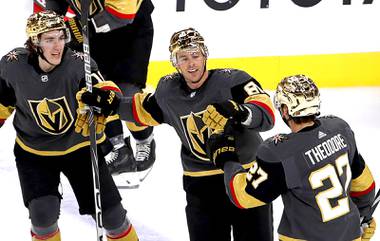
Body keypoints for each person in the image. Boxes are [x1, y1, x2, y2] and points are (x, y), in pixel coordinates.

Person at [77, 27, 276, 241]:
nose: (191, 64)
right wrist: (112, 104)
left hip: (247, 175)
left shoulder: (233, 81)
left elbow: (266, 114)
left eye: (195, 55)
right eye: (183, 58)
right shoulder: (168, 91)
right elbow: (142, 110)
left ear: (205, 55)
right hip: (200, 181)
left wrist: (240, 111)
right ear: (175, 62)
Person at [0, 11, 138, 241]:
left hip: (80, 149)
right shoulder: (13, 66)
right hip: (35, 154)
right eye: (49, 39)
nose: (57, 46)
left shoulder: (77, 64)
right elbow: (2, 103)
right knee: (43, 220)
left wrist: (105, 99)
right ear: (35, 43)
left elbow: (106, 90)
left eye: (61, 37)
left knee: (114, 219)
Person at [206, 74, 377, 241]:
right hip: (350, 235)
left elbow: (243, 196)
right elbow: (365, 184)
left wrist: (226, 158)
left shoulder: (279, 152)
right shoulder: (340, 128)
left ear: (286, 110)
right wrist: (365, 216)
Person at [34, 0, 156, 180]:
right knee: (96, 87)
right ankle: (119, 149)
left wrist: (82, 28)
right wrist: (49, 33)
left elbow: (123, 14)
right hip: (90, 29)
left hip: (131, 31)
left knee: (127, 93)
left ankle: (144, 139)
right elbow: (51, 9)